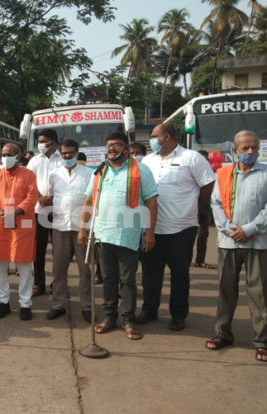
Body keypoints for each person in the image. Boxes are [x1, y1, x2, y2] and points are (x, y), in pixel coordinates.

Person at [78, 132, 158, 340]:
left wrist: (150, 233)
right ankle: (109, 317)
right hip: (103, 234)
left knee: (127, 280)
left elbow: (151, 202)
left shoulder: (140, 170)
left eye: (116, 145)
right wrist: (82, 228)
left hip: (128, 235)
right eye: (109, 145)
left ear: (126, 147)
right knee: (108, 280)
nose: (111, 148)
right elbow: (88, 200)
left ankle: (128, 320)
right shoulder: (100, 171)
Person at [138, 123, 215, 331]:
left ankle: (178, 314)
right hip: (152, 227)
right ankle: (149, 309)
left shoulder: (191, 158)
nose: (152, 140)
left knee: (179, 273)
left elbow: (208, 184)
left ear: (167, 136)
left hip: (181, 227)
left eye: (154, 136)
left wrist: (194, 204)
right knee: (150, 273)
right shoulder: (147, 161)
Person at [206, 131, 267, 363]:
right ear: (235, 151)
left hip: (259, 242)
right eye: (246, 148)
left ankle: (262, 342)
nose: (251, 152)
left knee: (259, 293)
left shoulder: (265, 173)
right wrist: (230, 229)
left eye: (254, 147)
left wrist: (249, 229)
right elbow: (216, 204)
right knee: (225, 291)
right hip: (228, 242)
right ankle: (223, 333)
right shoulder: (223, 173)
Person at [0, 143, 38, 320]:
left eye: (9, 154)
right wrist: (0, 213)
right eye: (3, 154)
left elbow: (32, 198)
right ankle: (3, 302)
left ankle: (25, 304)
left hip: (22, 224)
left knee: (23, 267)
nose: (5, 157)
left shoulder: (28, 175)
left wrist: (14, 213)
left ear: (18, 156)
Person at [47, 139, 93, 322]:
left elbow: (91, 201)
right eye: (64, 153)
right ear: (60, 154)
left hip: (82, 228)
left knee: (85, 270)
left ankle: (87, 306)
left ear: (77, 153)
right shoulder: (54, 175)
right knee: (59, 270)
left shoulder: (89, 174)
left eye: (71, 153)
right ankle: (58, 305)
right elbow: (52, 195)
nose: (67, 156)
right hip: (60, 227)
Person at [27, 128, 61, 296]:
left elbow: (67, 185)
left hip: (59, 211)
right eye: (39, 142)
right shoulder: (34, 160)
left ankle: (58, 284)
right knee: (38, 249)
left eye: (42, 142)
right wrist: (42, 198)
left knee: (59, 250)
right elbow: (29, 182)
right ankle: (39, 284)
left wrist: (52, 198)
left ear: (52, 143)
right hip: (39, 211)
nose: (39, 145)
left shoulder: (63, 159)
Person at [195, 150, 215, 270]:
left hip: (204, 209)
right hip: (189, 209)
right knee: (187, 236)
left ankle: (200, 260)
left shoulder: (210, 173)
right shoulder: (190, 171)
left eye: (206, 159)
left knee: (203, 235)